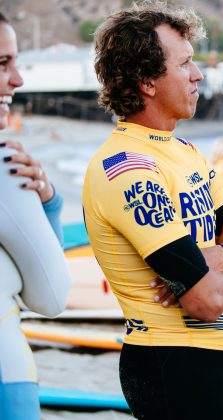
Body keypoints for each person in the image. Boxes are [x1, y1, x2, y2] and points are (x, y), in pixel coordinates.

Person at [82, 3, 223, 419]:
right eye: (185, 63)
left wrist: (222, 255)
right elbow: (205, 302)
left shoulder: (186, 154)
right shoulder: (129, 168)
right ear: (147, 81)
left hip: (213, 363)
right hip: (169, 363)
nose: (198, 75)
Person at [0, 13, 71, 419]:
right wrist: (51, 203)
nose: (18, 80)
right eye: (1, 64)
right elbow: (52, 294)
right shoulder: (7, 169)